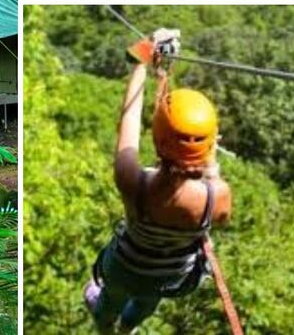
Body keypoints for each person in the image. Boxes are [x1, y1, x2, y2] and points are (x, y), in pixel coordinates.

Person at [83, 32, 233, 334]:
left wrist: (141, 60)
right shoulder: (215, 197)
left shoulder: (134, 182)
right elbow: (221, 212)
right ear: (211, 142)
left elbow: (128, 123)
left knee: (111, 295)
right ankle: (128, 327)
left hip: (123, 267)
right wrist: (208, 159)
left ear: (158, 138)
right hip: (170, 277)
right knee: (148, 298)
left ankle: (105, 325)